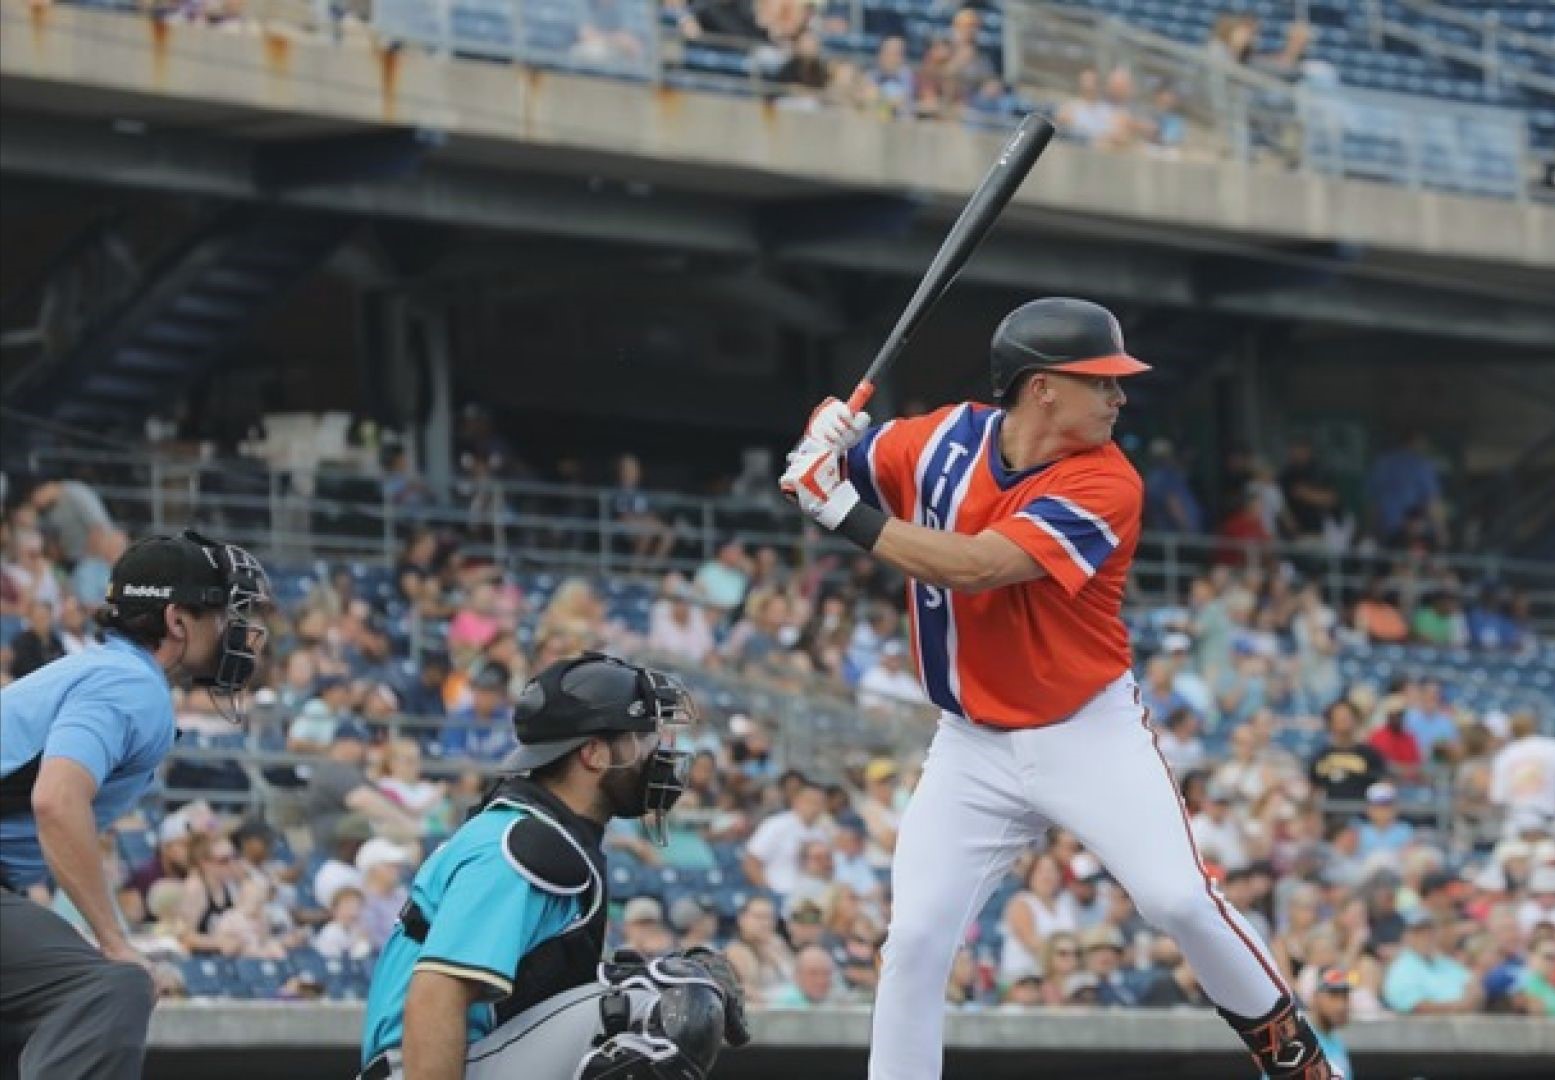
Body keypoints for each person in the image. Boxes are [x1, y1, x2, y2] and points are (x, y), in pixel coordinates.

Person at [779, 296, 1338, 1079]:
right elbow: (838, 458)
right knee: (913, 941)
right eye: (1101, 382)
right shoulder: (940, 437)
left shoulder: (1109, 483)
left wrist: (838, 508)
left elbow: (975, 568)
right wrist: (825, 432)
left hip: (1085, 730)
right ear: (1042, 388)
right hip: (970, 742)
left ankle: (1302, 1065)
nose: (1119, 397)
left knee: (1178, 900)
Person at [357, 653, 749, 1080]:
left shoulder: (546, 834)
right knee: (674, 996)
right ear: (594, 754)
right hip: (422, 1069)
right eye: (643, 737)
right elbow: (435, 994)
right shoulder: (521, 844)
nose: (658, 752)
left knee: (646, 984)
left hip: (472, 1057)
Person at [0, 530, 270, 1080]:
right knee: (109, 987)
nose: (234, 630)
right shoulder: (129, 683)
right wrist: (113, 940)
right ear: (176, 621)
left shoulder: (103, 669)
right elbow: (55, 800)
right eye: (220, 613)